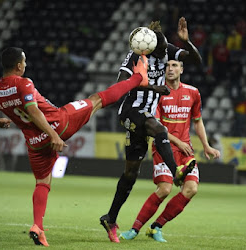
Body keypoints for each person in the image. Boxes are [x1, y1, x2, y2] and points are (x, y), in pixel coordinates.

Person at [0, 47, 149, 247]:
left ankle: (37, 227)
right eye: (24, 62)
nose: (26, 65)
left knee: (42, 181)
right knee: (97, 100)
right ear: (18, 66)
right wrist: (54, 136)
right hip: (60, 123)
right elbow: (33, 112)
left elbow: (24, 114)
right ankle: (138, 78)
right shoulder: (24, 83)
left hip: (34, 142)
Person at [100, 17, 203, 243]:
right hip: (131, 112)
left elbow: (196, 61)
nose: (167, 54)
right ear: (149, 48)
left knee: (131, 174)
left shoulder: (168, 50)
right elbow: (121, 81)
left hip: (143, 119)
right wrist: (152, 86)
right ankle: (176, 171)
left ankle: (110, 217)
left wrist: (187, 42)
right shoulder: (138, 55)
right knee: (159, 130)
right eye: (162, 50)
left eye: (168, 48)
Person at [119, 60, 220, 242]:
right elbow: (157, 127)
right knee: (165, 189)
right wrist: (178, 142)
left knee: (191, 189)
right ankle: (134, 230)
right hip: (164, 148)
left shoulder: (193, 92)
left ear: (182, 68)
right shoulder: (157, 94)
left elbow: (197, 121)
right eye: (167, 66)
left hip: (185, 150)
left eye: (175, 65)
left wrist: (206, 145)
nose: (170, 69)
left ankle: (156, 227)